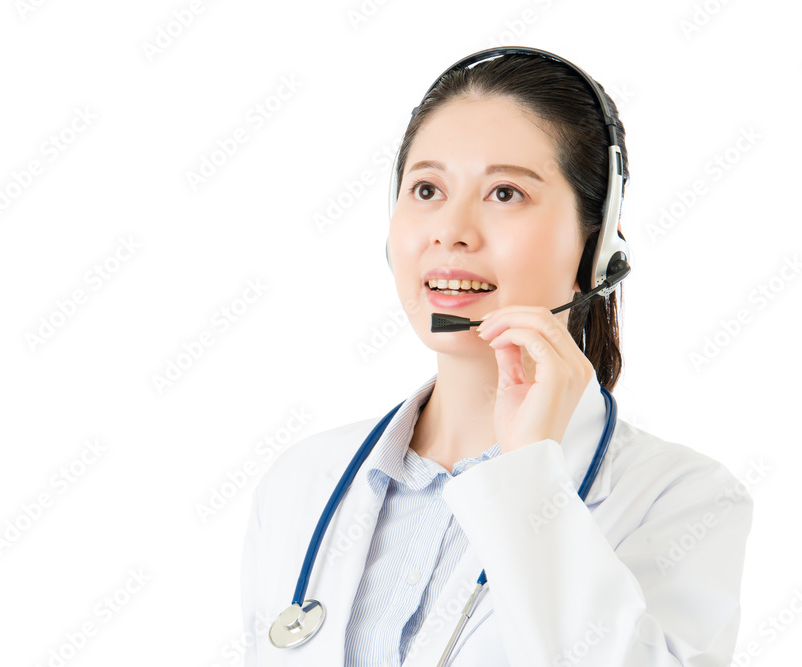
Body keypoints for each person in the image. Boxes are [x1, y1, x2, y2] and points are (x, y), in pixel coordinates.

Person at [240, 47, 752, 666]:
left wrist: (531, 477)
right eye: (427, 189)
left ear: (595, 248)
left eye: (505, 193)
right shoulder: (301, 482)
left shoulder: (683, 499)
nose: (451, 231)